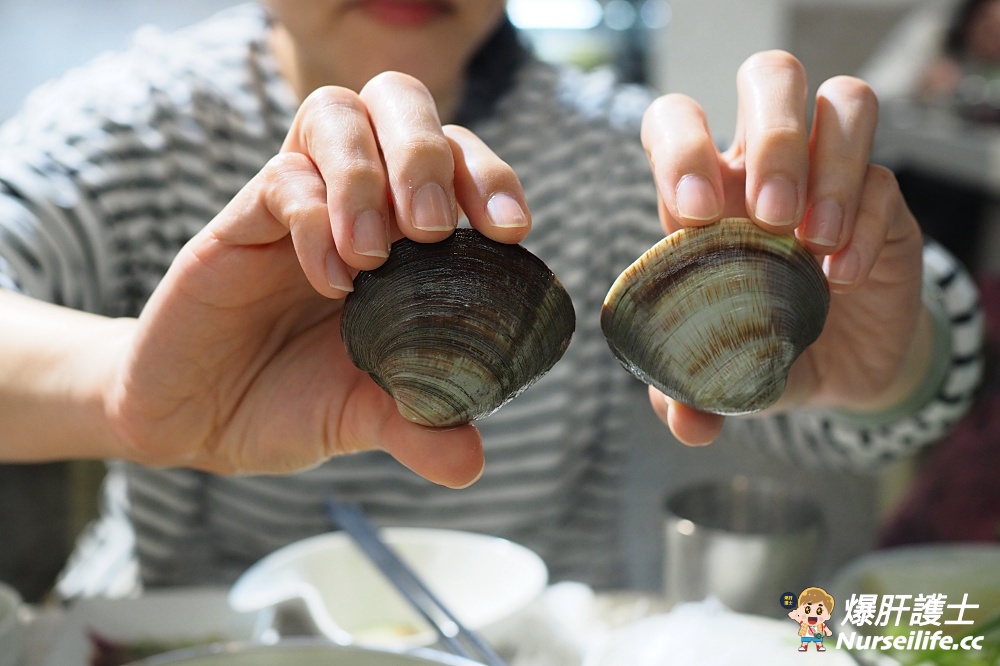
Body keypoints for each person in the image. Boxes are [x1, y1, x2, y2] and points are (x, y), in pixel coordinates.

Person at [0, 1, 983, 593]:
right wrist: (126, 390)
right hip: (162, 630)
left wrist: (883, 364)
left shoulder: (612, 157)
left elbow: (867, 396)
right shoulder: (135, 128)